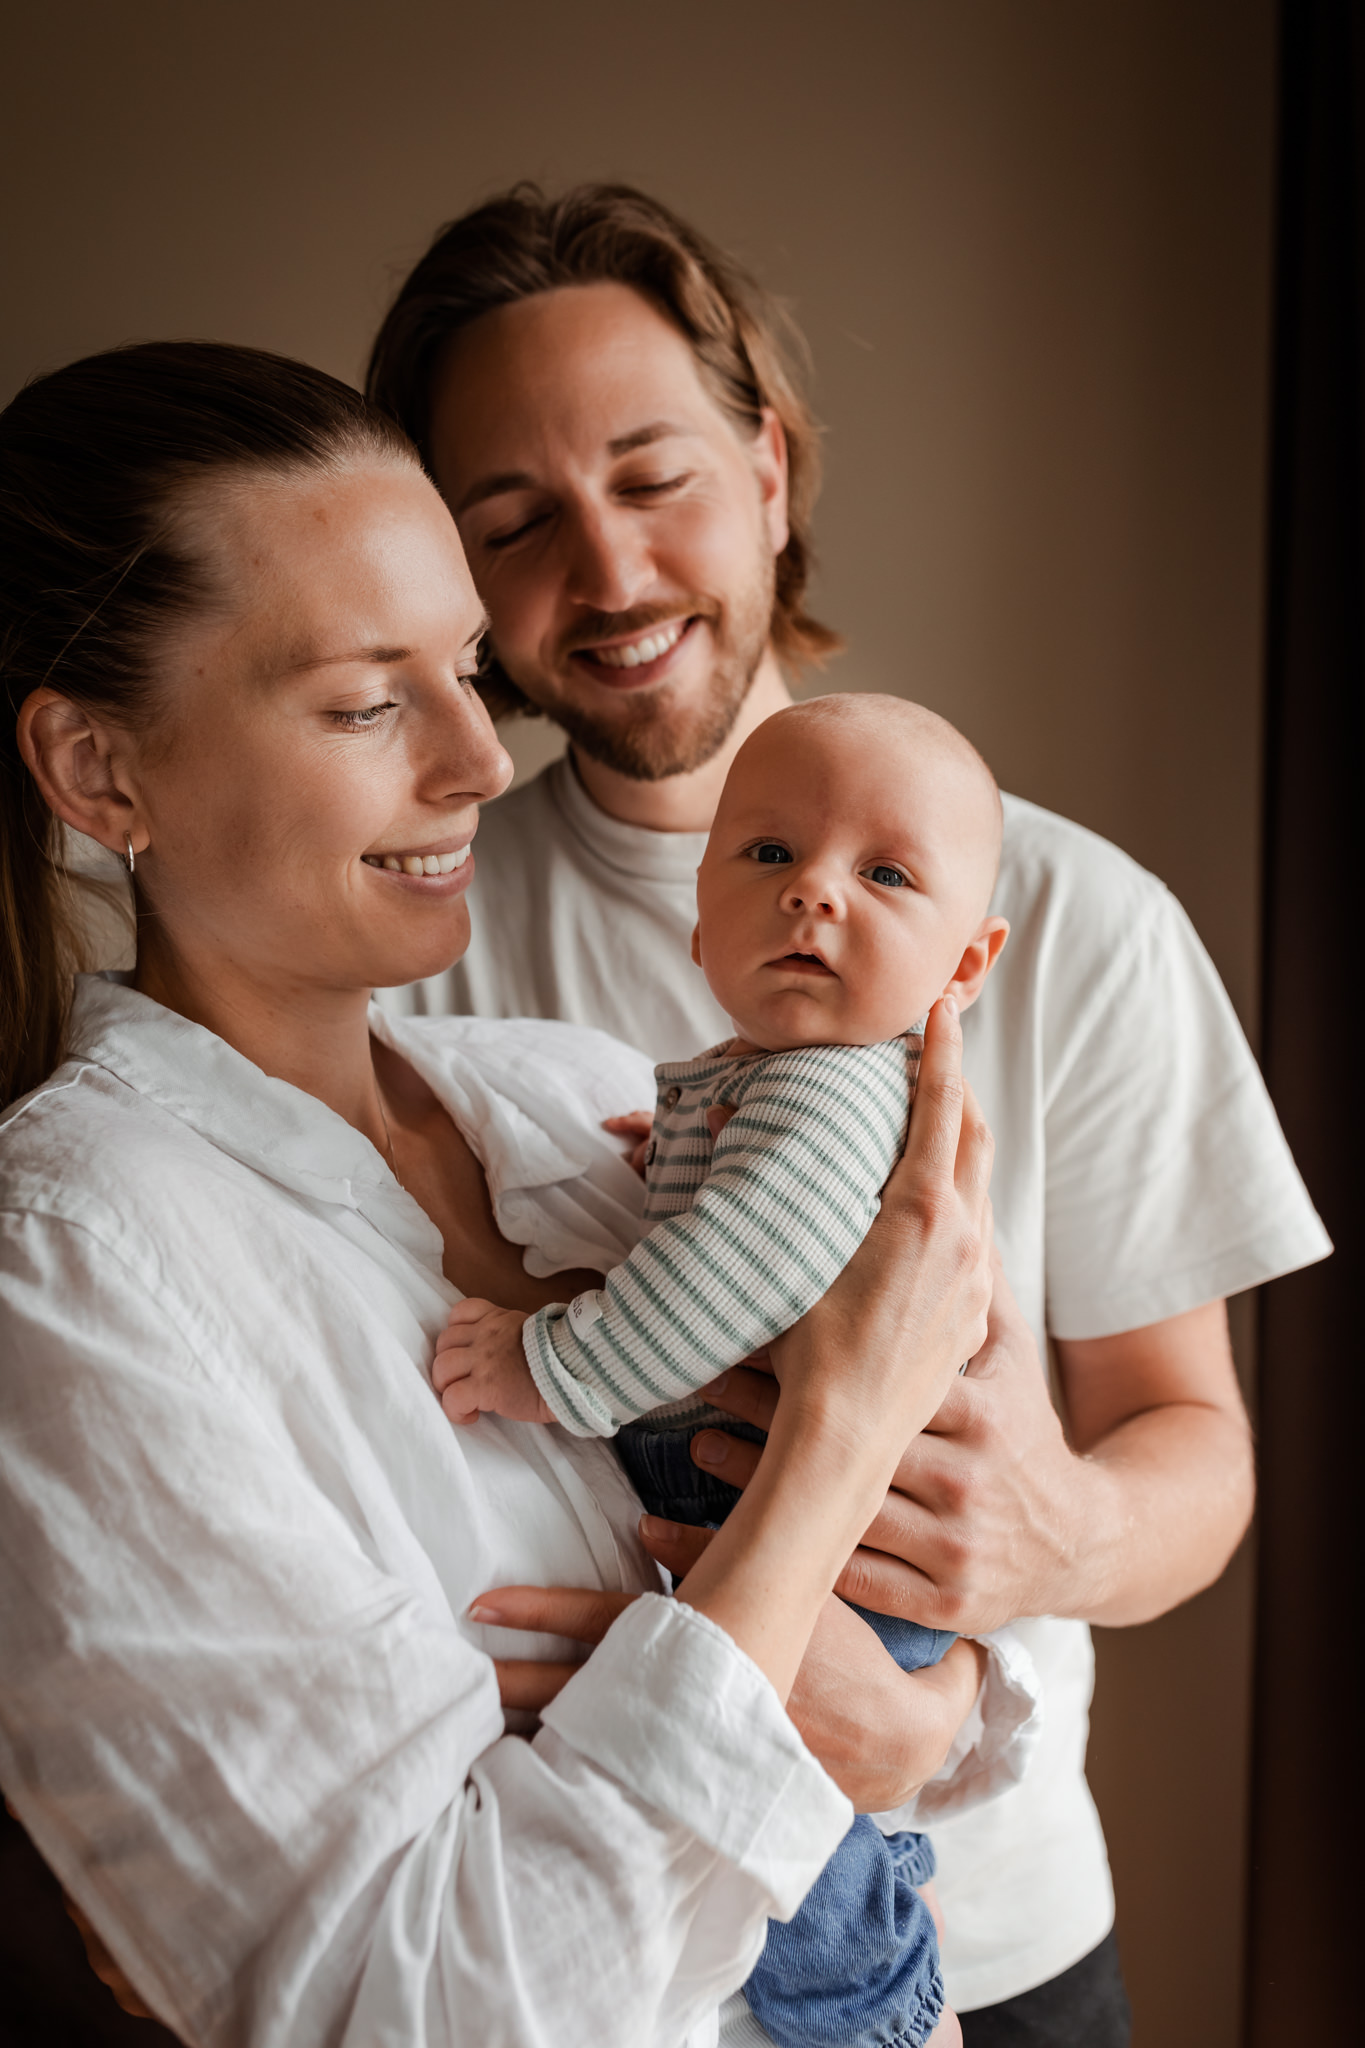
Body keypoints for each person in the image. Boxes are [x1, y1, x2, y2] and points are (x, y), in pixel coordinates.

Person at [366, 183, 1334, 2043]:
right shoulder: (406, 939)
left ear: (770, 468)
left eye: (652, 479)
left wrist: (1017, 1586)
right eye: (514, 522)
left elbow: (1192, 1450)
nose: (612, 570)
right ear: (455, 579)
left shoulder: (1070, 922)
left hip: (985, 1934)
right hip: (578, 1929)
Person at [0, 341, 1003, 2048]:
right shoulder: (78, 1272)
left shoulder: (577, 1093)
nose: (479, 754)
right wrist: (823, 1456)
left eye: (466, 664)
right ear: (101, 775)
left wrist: (932, 1715)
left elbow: (946, 1673)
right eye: (368, 698)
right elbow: (418, 2010)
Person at [435, 692, 1016, 2048]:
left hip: (847, 1534)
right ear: (698, 923)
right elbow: (738, 1194)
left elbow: (729, 1280)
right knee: (774, 1771)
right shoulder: (779, 1074)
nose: (813, 895)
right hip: (807, 1503)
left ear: (963, 963)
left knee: (769, 1774)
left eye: (882, 875)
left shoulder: (832, 1092)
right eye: (767, 857)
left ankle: (878, 2001)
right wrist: (678, 1144)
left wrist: (546, 1364)